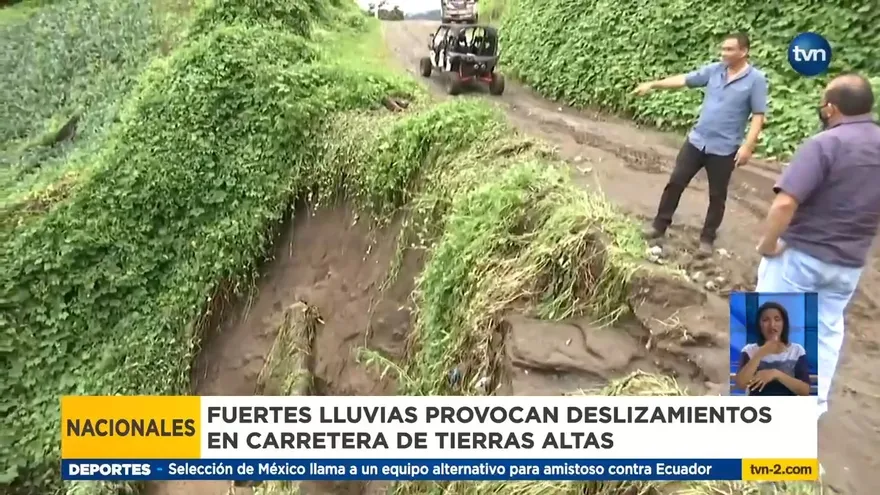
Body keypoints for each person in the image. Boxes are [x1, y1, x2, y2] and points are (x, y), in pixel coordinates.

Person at [755, 73, 880, 424]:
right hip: (848, 265)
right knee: (824, 335)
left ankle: (766, 424)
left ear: (831, 108)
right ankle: (807, 416)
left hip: (802, 257)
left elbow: (784, 205)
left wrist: (768, 245)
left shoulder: (825, 144)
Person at [632, 33, 768, 256]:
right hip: (697, 141)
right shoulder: (715, 70)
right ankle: (659, 225)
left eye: (729, 50)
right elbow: (685, 80)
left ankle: (707, 239)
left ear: (743, 52)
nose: (723, 53)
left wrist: (747, 146)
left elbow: (758, 116)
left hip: (725, 148)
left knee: (717, 195)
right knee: (675, 182)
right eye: (723, 49)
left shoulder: (756, 80)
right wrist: (654, 84)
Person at [734, 301, 811, 396]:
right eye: (765, 320)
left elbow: (805, 391)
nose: (772, 325)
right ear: (759, 325)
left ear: (784, 324)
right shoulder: (749, 350)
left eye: (777, 319)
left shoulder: (796, 350)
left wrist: (775, 374)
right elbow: (741, 384)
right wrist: (761, 353)